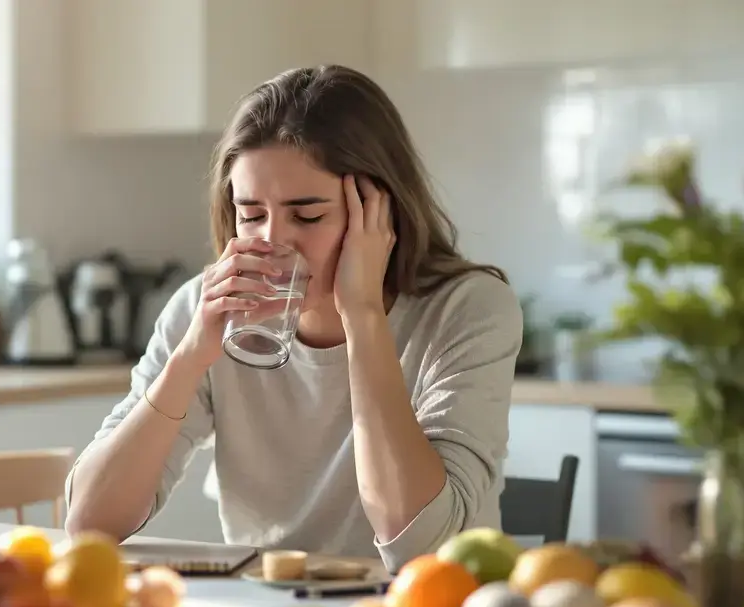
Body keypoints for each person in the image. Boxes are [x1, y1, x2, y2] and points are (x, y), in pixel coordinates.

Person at [64, 64, 522, 572]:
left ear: (380, 211)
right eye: (251, 214)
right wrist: (190, 357)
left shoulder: (469, 309)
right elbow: (89, 522)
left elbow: (422, 549)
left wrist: (363, 316)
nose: (271, 242)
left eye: (307, 215)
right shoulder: (205, 309)